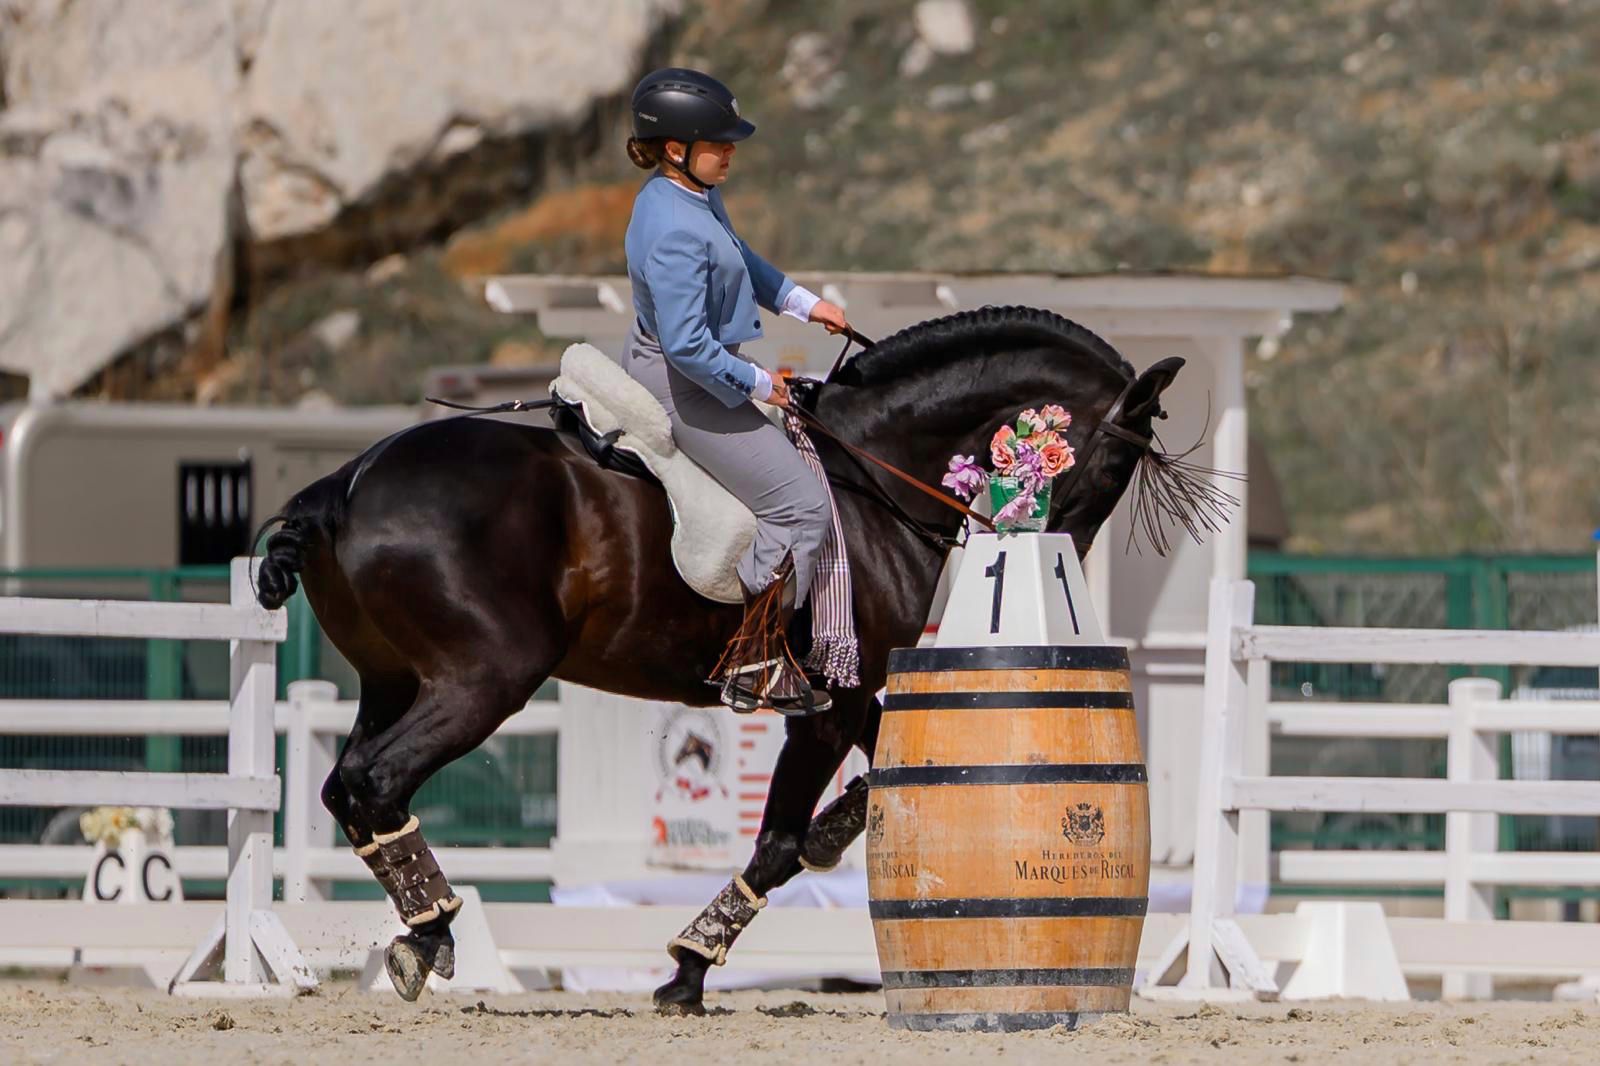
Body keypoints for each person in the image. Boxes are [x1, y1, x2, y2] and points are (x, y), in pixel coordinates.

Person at [622, 67, 848, 716]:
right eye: (719, 143)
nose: (731, 152)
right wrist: (759, 384)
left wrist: (805, 303)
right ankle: (754, 657)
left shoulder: (691, 194)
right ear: (675, 149)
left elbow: (739, 257)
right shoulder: (670, 228)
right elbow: (689, 347)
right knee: (802, 507)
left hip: (703, 368)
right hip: (682, 385)